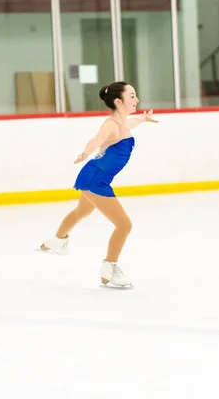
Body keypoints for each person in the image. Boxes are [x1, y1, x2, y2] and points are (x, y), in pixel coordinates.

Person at [39, 81, 158, 288]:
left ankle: (56, 240)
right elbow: (96, 140)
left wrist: (143, 119)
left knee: (82, 211)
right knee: (124, 225)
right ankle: (109, 269)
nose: (136, 100)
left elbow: (131, 123)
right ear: (118, 101)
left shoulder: (123, 124)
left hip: (93, 177)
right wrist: (85, 153)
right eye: (132, 96)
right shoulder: (111, 124)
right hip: (96, 179)